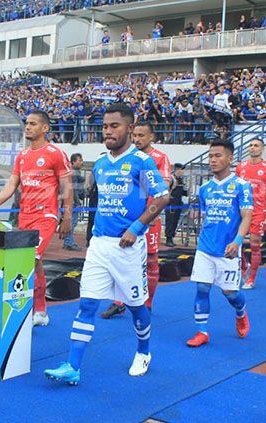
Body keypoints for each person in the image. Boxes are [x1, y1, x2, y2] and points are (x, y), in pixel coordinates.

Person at [44, 103, 169, 385]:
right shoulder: (100, 164)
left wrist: (136, 228)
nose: (108, 131)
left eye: (115, 126)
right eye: (104, 126)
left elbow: (162, 197)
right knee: (87, 303)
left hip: (127, 247)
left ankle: (144, 352)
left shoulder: (141, 161)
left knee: (136, 306)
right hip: (100, 246)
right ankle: (73, 366)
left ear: (129, 128)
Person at [0, 111, 73, 327]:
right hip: (25, 217)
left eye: (33, 124)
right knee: (37, 264)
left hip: (46, 216)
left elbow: (67, 186)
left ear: (45, 128)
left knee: (29, 259)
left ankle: (21, 310)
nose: (28, 127)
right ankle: (40, 311)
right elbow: (12, 185)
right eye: (26, 123)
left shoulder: (55, 153)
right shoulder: (22, 156)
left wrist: (67, 216)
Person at [186, 141, 252, 347]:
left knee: (230, 294)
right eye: (210, 156)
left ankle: (241, 313)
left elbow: (247, 216)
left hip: (228, 251)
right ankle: (202, 332)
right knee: (202, 288)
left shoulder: (241, 186)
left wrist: (237, 242)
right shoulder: (205, 189)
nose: (212, 160)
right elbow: (206, 217)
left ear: (230, 158)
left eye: (217, 156)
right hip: (205, 248)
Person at [101, 122, 171, 318]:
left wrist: (150, 216)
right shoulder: (127, 157)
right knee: (120, 257)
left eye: (142, 135)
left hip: (149, 219)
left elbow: (163, 189)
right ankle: (118, 301)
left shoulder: (159, 158)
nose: (137, 139)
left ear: (151, 138)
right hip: (126, 220)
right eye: (135, 135)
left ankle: (147, 302)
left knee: (150, 259)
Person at [235, 138, 266, 289]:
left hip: (259, 211)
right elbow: (236, 189)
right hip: (241, 209)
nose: (252, 148)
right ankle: (242, 266)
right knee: (236, 241)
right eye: (251, 145)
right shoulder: (241, 167)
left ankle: (251, 278)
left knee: (254, 245)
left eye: (256, 145)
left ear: (262, 148)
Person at [63, 153, 84, 251]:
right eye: (79, 160)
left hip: (71, 201)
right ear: (73, 161)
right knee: (72, 222)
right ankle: (69, 242)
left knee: (72, 222)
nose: (81, 162)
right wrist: (77, 202)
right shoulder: (74, 173)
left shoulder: (74, 172)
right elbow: (74, 190)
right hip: (73, 203)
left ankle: (68, 241)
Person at [164, 163, 186, 248]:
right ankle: (168, 239)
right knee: (170, 221)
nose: (182, 171)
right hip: (171, 204)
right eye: (180, 169)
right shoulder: (171, 179)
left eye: (182, 170)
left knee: (175, 221)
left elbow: (182, 192)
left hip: (178, 203)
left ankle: (171, 237)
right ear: (176, 169)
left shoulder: (180, 180)